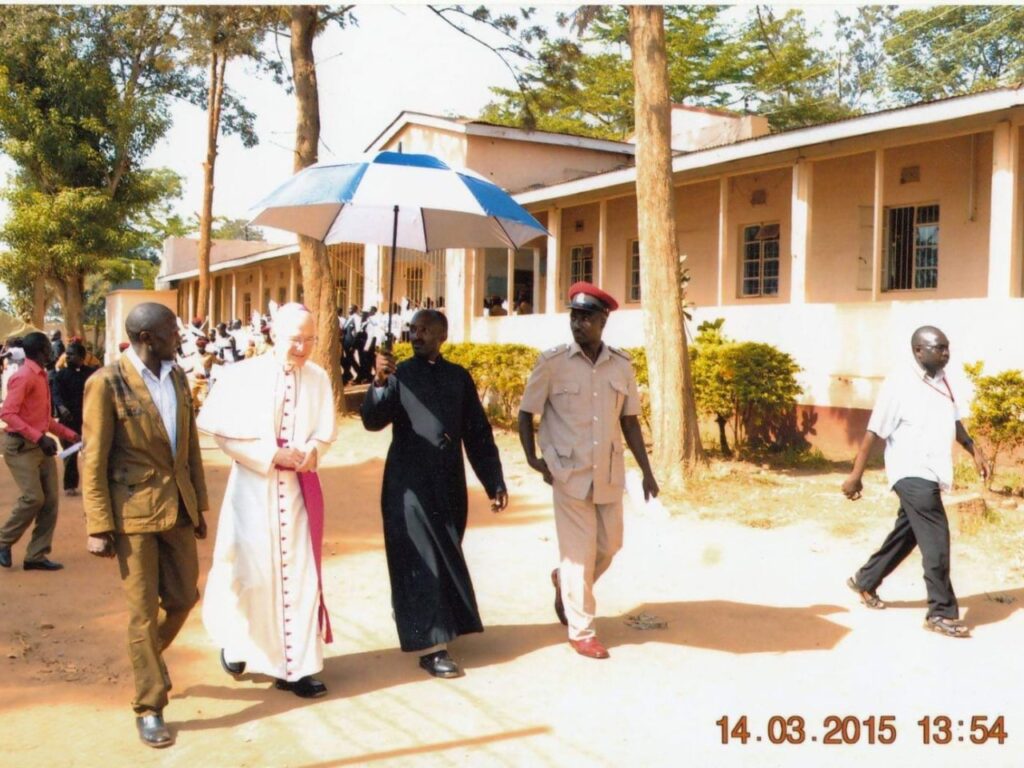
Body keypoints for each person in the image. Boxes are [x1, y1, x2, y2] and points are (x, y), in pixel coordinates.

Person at [81, 302, 209, 748]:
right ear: (148, 338)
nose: (181, 336)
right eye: (173, 330)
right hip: (131, 513)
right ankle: (150, 704)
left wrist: (199, 505)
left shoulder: (176, 377)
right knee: (140, 612)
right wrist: (98, 525)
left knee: (183, 597)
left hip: (177, 508)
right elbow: (93, 459)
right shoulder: (106, 383)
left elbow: (188, 445)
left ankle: (148, 661)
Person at [197, 303, 337, 698]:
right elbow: (221, 433)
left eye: (310, 339)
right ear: (274, 334)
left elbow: (324, 433)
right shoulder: (243, 375)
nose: (303, 347)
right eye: (296, 339)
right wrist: (269, 454)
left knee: (300, 573)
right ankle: (238, 642)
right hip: (253, 491)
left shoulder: (319, 377)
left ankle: (299, 667)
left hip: (297, 494)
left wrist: (311, 451)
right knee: (249, 573)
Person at [362, 309, 508, 678]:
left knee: (443, 555)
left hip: (448, 484)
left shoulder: (458, 377)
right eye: (412, 329)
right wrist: (379, 384)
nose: (416, 335)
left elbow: (477, 433)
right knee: (419, 556)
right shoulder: (398, 375)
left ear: (443, 334)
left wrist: (494, 481)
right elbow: (372, 420)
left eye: (424, 330)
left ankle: (427, 621)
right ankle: (431, 647)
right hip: (407, 485)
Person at [518, 282, 659, 660]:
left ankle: (564, 583)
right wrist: (534, 459)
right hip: (567, 471)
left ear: (603, 320)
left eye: (586, 318)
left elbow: (630, 422)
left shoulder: (621, 364)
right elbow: (526, 412)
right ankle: (582, 631)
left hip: (609, 470)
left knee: (610, 544)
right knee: (578, 554)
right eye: (573, 316)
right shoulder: (552, 363)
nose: (578, 324)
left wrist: (646, 471)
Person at [842, 326, 987, 639]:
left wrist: (974, 449)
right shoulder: (899, 383)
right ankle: (941, 612)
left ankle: (865, 580)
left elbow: (954, 420)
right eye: (940, 348)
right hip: (910, 472)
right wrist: (856, 475)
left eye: (947, 347)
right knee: (936, 539)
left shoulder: (943, 381)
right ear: (919, 351)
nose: (946, 353)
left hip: (934, 472)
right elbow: (874, 431)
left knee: (907, 533)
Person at [0, 332, 79, 571]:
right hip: (20, 446)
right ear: (40, 351)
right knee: (33, 497)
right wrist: (38, 437)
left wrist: (70, 435)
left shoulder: (41, 375)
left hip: (39, 445)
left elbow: (43, 419)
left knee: (51, 501)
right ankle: (3, 541)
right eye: (48, 349)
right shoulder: (24, 376)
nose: (53, 352)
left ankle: (36, 554)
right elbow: (7, 414)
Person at [51, 342, 98, 497]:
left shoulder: (91, 374)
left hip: (88, 422)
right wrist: (61, 407)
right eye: (67, 354)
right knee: (70, 454)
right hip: (67, 422)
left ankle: (95, 485)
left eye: (72, 354)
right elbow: (56, 394)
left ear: (82, 357)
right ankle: (70, 485)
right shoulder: (60, 375)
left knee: (93, 454)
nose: (68, 357)